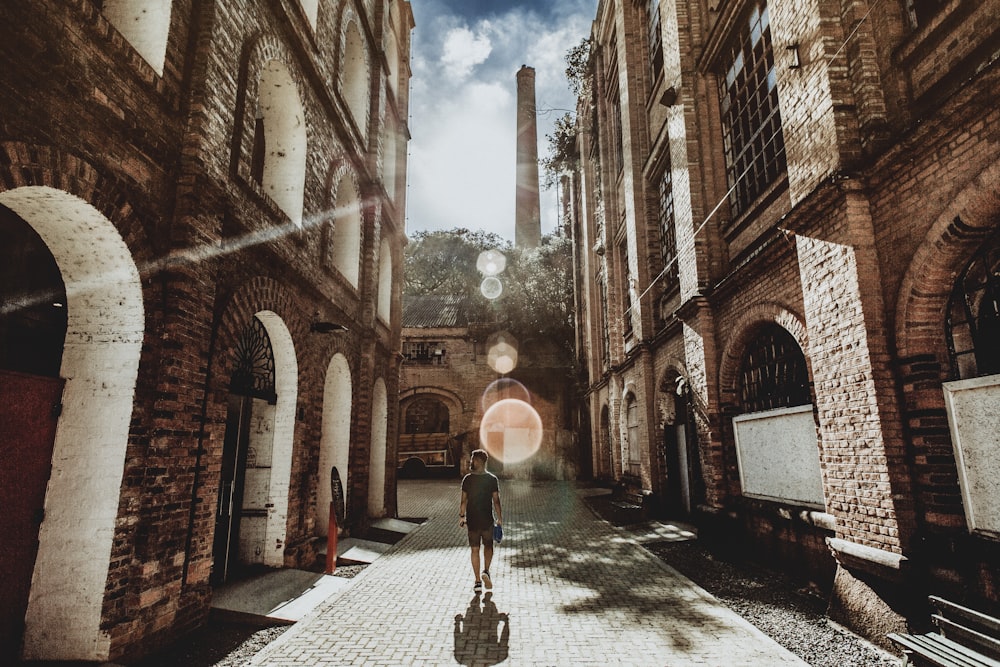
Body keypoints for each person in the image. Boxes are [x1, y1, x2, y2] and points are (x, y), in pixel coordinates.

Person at [459, 448, 503, 593]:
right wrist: (499, 519)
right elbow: (496, 501)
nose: (471, 462)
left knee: (475, 549)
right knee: (488, 547)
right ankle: (486, 571)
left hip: (472, 520)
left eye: (473, 459)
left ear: (479, 461)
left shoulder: (468, 479)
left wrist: (462, 516)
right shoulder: (491, 479)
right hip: (487, 521)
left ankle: (478, 581)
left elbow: (463, 501)